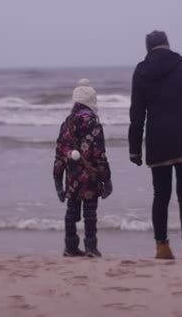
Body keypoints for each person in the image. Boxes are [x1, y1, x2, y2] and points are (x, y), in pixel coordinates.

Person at [128, 31, 182, 261]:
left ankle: (162, 247)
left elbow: (137, 114)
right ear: (167, 44)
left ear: (148, 48)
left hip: (159, 140)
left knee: (161, 195)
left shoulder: (141, 72)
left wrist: (134, 148)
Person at [53, 78, 113, 258]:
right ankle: (90, 247)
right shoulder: (93, 122)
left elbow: (60, 152)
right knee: (89, 214)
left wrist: (57, 181)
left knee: (71, 213)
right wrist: (107, 179)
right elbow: (99, 154)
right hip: (91, 178)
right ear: (91, 101)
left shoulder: (67, 123)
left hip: (71, 178)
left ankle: (70, 247)